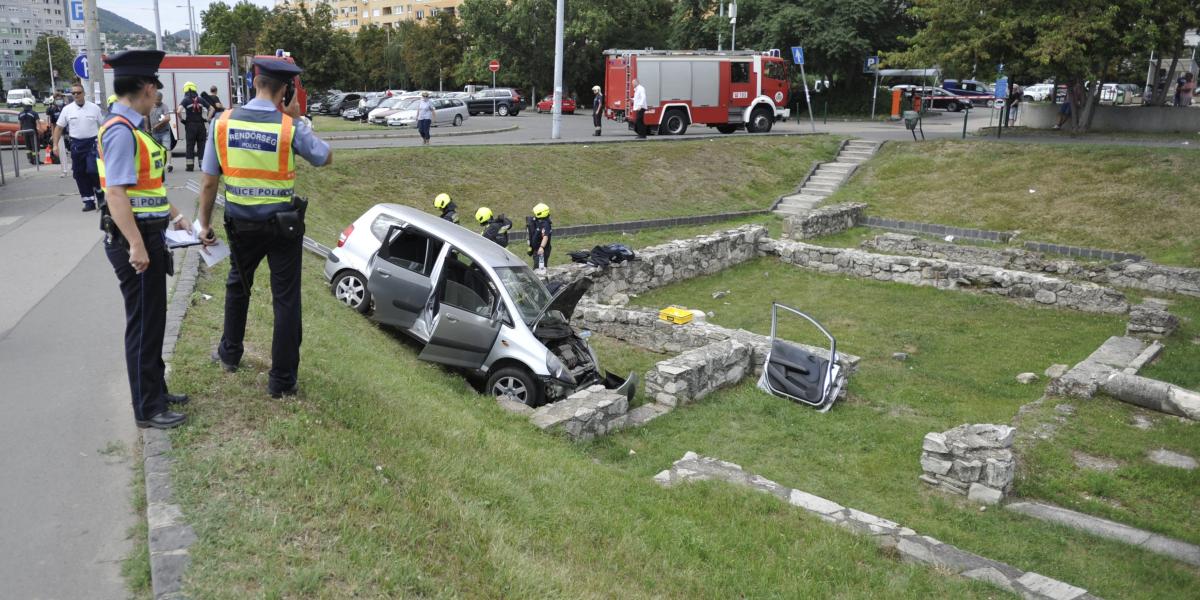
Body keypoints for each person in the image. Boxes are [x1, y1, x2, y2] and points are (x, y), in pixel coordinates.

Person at [197, 57, 333, 399]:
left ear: (255, 82)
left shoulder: (223, 122)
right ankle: (282, 381)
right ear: (285, 90)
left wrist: (204, 224)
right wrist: (298, 120)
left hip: (241, 225)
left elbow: (210, 182)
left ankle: (229, 353)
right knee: (285, 300)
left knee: (237, 286)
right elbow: (324, 157)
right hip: (282, 229)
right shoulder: (288, 127)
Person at [97, 49, 193, 429]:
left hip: (150, 233)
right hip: (134, 241)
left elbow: (146, 187)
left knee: (154, 319)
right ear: (144, 87)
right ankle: (148, 408)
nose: (157, 91)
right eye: (154, 84)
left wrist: (176, 215)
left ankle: (156, 388)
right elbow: (116, 194)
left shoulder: (132, 127)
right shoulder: (121, 131)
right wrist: (136, 244)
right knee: (143, 323)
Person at [52, 82, 106, 211]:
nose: (76, 95)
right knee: (79, 173)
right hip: (76, 144)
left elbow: (104, 126)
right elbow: (59, 128)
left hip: (92, 143)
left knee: (93, 171)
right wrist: (55, 145)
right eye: (73, 93)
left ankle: (100, 195)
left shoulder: (94, 108)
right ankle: (88, 201)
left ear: (84, 94)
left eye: (78, 92)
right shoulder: (67, 109)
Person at [176, 81, 213, 171]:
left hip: (190, 126)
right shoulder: (200, 99)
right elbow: (212, 108)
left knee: (190, 145)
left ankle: (190, 166)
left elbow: (178, 111)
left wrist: (181, 120)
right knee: (202, 145)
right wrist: (207, 119)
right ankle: (203, 166)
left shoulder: (185, 100)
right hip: (201, 126)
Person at [146, 92, 174, 172]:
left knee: (167, 148)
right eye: (157, 100)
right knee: (156, 150)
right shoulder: (150, 106)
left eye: (159, 100)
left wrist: (158, 125)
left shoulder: (164, 106)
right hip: (154, 133)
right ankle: (158, 166)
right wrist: (147, 129)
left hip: (164, 131)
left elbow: (168, 118)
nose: (158, 102)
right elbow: (147, 118)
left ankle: (169, 164)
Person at [45, 93, 68, 176]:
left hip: (69, 132)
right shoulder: (52, 110)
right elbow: (53, 124)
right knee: (62, 152)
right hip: (59, 133)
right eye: (57, 99)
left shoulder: (67, 107)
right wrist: (53, 135)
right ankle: (64, 170)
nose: (59, 100)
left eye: (60, 98)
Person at [528, 202, 552, 270]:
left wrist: (541, 247)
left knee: (539, 268)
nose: (534, 215)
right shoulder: (539, 221)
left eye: (536, 213)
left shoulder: (545, 224)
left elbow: (545, 236)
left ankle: (540, 279)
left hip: (542, 251)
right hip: (536, 249)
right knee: (536, 265)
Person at [17, 99, 39, 165]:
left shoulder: (20, 114)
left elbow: (19, 124)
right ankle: (36, 160)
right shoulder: (34, 113)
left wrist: (20, 131)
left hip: (24, 132)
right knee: (34, 146)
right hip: (32, 132)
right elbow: (37, 123)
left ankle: (30, 159)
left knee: (28, 146)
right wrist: (39, 130)